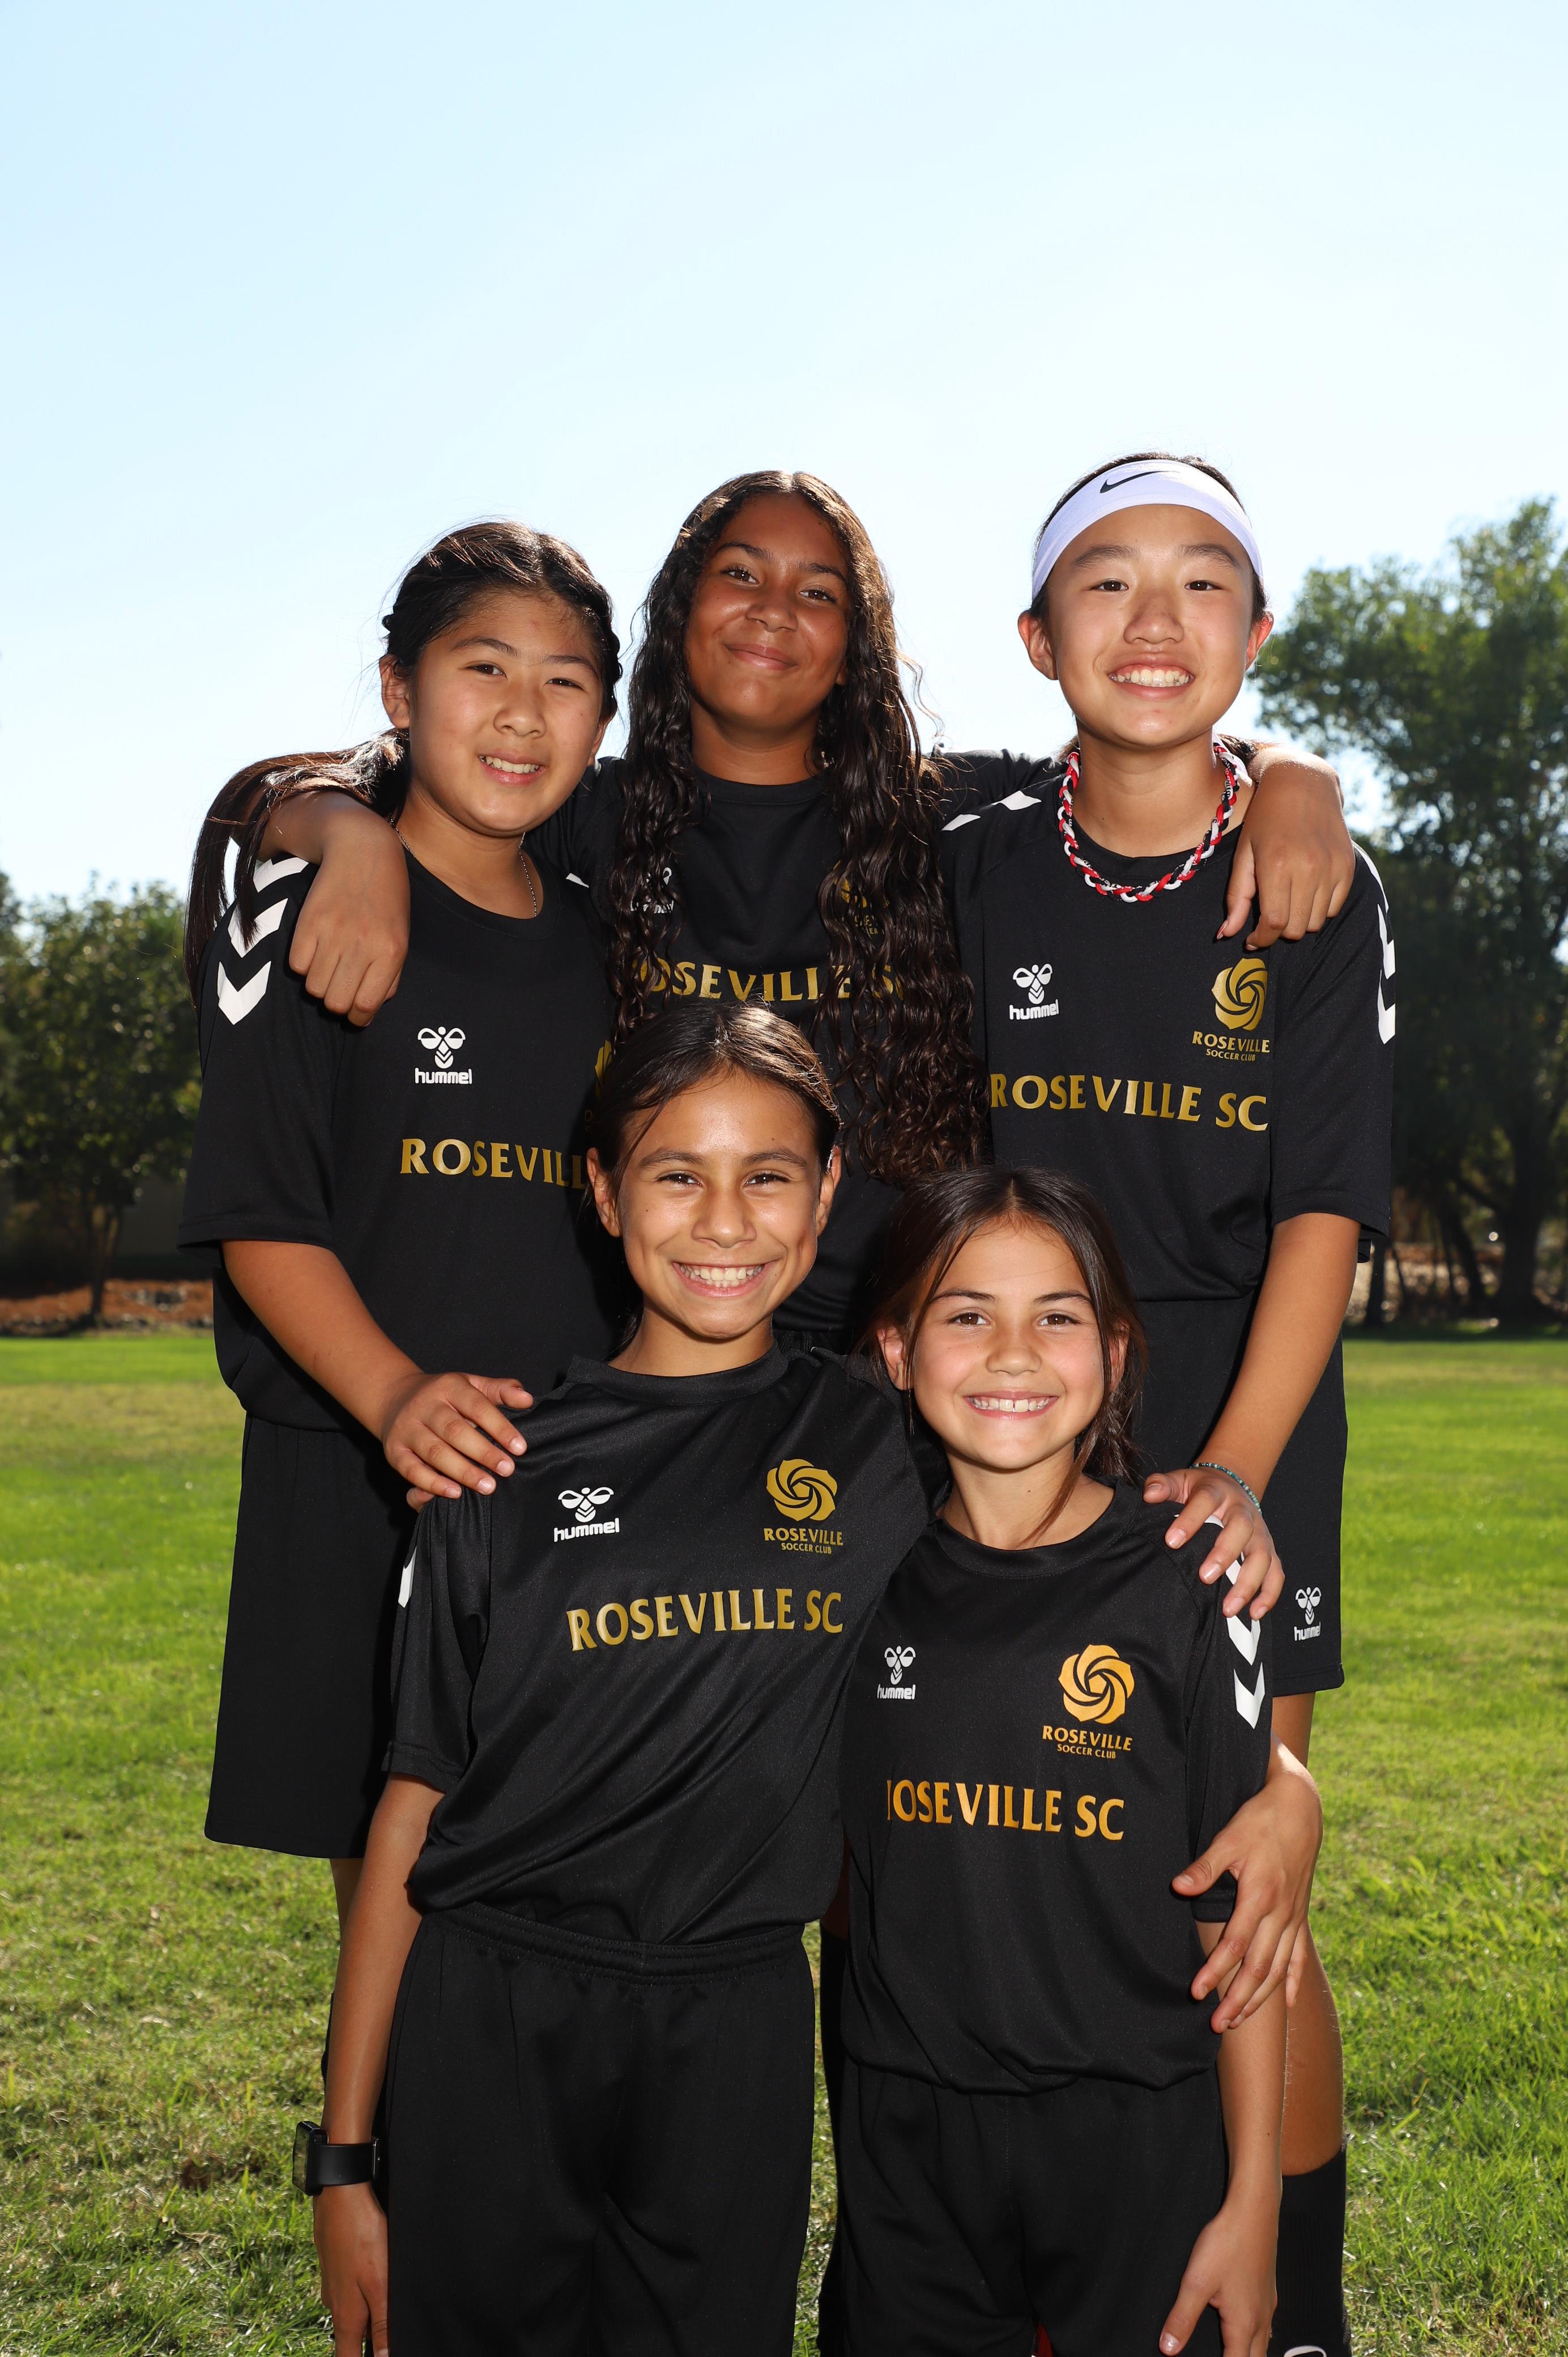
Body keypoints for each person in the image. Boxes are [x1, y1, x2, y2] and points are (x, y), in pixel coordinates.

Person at [943, 453, 1396, 2357]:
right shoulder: (970, 861)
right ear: (1034, 637)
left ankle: (1296, 2302)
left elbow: (1320, 1218)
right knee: (1007, 1838)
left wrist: (1239, 1468)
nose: (1154, 622)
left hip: (1243, 1413)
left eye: (1202, 583)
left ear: (1257, 632)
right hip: (1017, 1406)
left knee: (1238, 1869)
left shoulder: (1315, 879)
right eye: (1106, 584)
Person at [306, 1004, 933, 2357]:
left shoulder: (883, 1439)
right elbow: (410, 1810)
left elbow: (1076, 1550)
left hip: (739, 2016)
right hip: (495, 2013)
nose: (725, 1220)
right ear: (601, 1189)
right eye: (676, 1174)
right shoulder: (493, 1460)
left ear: (830, 1189)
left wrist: (1281, 1781)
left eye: (769, 1174)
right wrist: (345, 2158)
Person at [179, 521, 620, 1928]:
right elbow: (261, 1212)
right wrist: (394, 1398)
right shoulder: (304, 904)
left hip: (568, 1479)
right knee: (398, 1911)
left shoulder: (615, 945)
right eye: (483, 666)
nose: (521, 712)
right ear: (398, 687)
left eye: (564, 681)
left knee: (562, 1908)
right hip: (358, 1471)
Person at [838, 1166, 1285, 2357]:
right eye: (966, 1314)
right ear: (896, 1350)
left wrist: (1254, 2197)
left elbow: (1243, 1935)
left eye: (1056, 1316)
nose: (1013, 1353)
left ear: (1116, 1351)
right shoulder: (853, 1579)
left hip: (1141, 2134)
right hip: (908, 2144)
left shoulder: (1191, 1579)